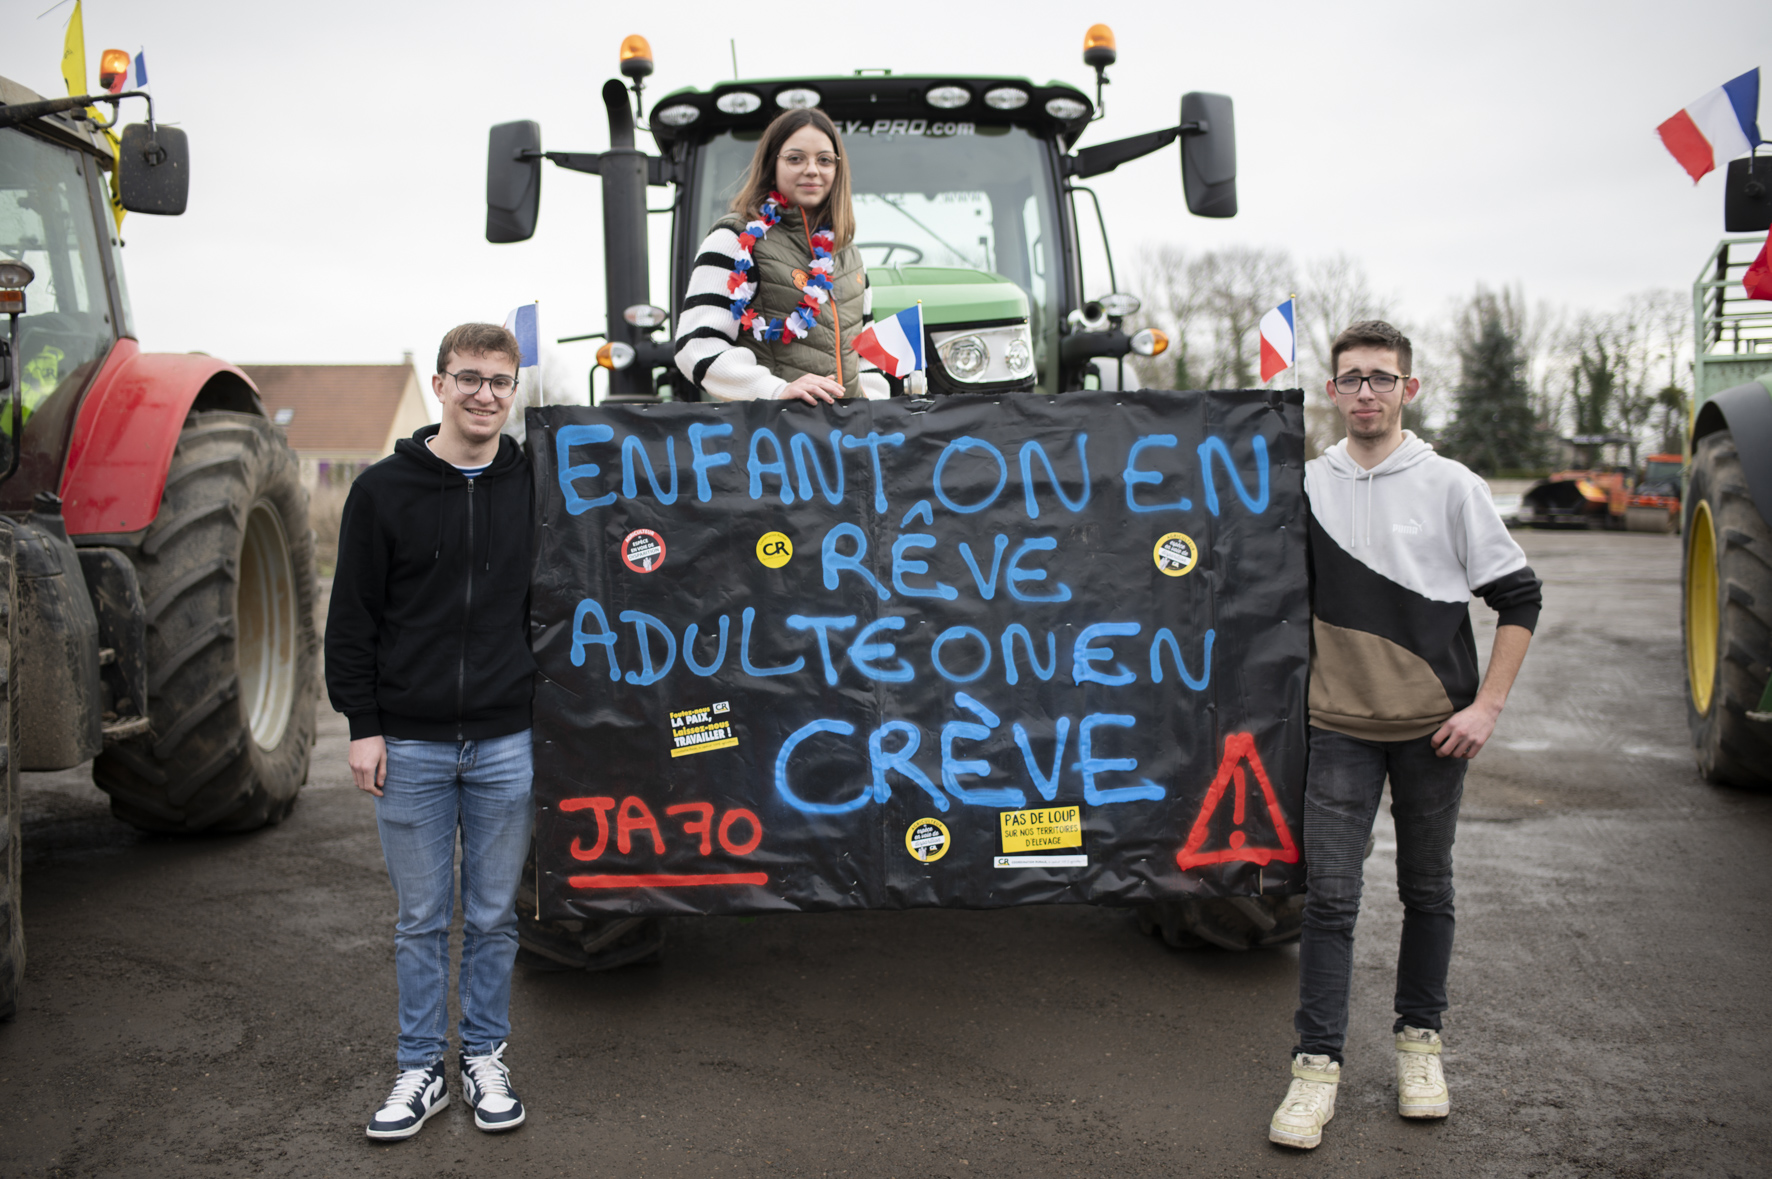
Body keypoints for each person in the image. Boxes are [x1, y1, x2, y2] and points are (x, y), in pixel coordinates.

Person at [1268, 321, 1542, 1150]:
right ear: (1331, 390)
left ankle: (1420, 1048)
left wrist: (1486, 706)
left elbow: (1519, 598)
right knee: (1332, 903)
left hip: (1435, 736)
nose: (1364, 393)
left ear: (1408, 390)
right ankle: (1314, 1070)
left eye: (1380, 378)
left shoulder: (1453, 485)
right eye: (1349, 378)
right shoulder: (1303, 485)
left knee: (1428, 893)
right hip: (1338, 730)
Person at [326, 323, 537, 1141]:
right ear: (441, 385)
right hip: (407, 741)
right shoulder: (384, 490)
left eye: (501, 381)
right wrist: (363, 725)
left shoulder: (534, 486)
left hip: (505, 739)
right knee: (421, 918)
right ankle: (421, 1068)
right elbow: (352, 619)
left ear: (514, 392)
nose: (486, 394)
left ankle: (484, 1056)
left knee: (491, 914)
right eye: (471, 378)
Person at [674, 107, 888, 402]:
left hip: (850, 440)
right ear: (771, 164)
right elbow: (696, 345)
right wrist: (775, 390)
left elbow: (868, 356)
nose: (812, 169)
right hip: (774, 440)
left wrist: (872, 406)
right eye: (795, 158)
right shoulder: (734, 240)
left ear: (838, 169)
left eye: (824, 160)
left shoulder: (849, 257)